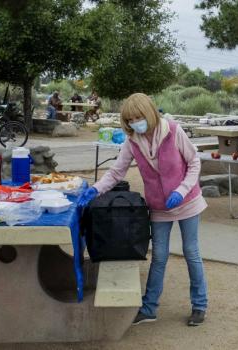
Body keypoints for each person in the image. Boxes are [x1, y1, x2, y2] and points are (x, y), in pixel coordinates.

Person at [78, 93, 208, 326]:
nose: (135, 122)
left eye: (138, 117)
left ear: (149, 113)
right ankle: (149, 308)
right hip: (159, 206)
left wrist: (182, 189)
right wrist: (95, 190)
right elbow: (117, 172)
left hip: (187, 201)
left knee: (191, 252)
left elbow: (194, 161)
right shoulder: (132, 141)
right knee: (159, 256)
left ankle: (199, 305)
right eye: (130, 119)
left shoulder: (173, 131)